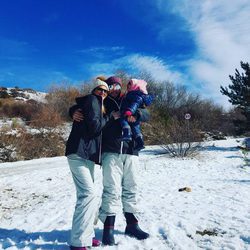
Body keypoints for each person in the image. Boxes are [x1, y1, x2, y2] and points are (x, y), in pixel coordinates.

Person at [71, 76, 150, 246]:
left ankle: (132, 224)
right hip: (110, 151)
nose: (114, 88)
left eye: (117, 86)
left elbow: (146, 112)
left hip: (131, 150)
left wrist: (137, 114)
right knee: (111, 189)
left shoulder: (130, 97)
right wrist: (72, 111)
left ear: (121, 87)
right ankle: (108, 229)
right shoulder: (103, 101)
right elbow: (84, 104)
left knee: (132, 187)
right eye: (111, 85)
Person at [65, 79, 110, 250]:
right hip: (78, 153)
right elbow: (95, 128)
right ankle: (78, 242)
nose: (103, 94)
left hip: (87, 156)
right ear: (94, 90)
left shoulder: (98, 104)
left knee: (87, 197)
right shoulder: (93, 100)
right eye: (100, 90)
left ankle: (87, 235)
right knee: (88, 195)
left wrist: (73, 111)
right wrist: (108, 119)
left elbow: (82, 112)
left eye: (105, 91)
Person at [120, 78, 153, 150]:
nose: (128, 86)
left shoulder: (133, 95)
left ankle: (127, 134)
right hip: (114, 149)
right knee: (136, 128)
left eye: (130, 84)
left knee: (123, 120)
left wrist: (136, 115)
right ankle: (140, 142)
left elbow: (146, 114)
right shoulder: (125, 96)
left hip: (131, 151)